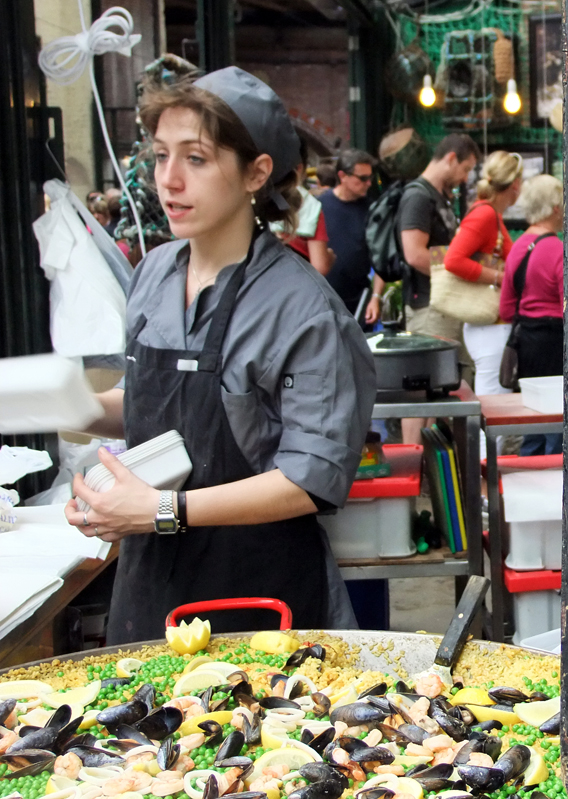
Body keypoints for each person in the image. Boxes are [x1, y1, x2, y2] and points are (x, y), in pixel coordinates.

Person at [63, 66, 376, 643]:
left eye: (196, 159)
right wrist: (61, 406)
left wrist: (161, 510)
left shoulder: (303, 309)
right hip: (151, 586)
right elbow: (144, 401)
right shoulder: (155, 273)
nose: (169, 180)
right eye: (161, 156)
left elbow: (310, 478)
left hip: (259, 596)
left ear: (256, 172)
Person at [395, 134, 479, 443]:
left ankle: (431, 468)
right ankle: (415, 465)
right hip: (428, 304)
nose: (466, 178)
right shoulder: (418, 196)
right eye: (466, 168)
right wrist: (458, 266)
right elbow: (415, 253)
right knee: (420, 389)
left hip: (441, 303)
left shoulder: (439, 196)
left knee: (439, 386)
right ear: (451, 158)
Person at [445, 151, 522, 397]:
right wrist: (499, 278)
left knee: (493, 400)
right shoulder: (486, 214)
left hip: (489, 323)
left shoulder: (488, 213)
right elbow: (453, 260)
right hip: (489, 325)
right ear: (515, 185)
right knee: (494, 404)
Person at [499, 175, 564, 455]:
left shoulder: (517, 248)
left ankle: (526, 481)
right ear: (554, 208)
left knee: (535, 419)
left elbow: (505, 309)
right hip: (555, 342)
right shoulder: (558, 250)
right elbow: (567, 306)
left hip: (526, 341)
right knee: (557, 422)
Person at [319, 149, 380, 323]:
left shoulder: (372, 210)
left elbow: (381, 258)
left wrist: (376, 297)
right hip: (324, 299)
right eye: (362, 178)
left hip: (359, 300)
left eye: (370, 178)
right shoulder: (319, 207)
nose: (368, 183)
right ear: (342, 176)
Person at [273, 135, 334, 275]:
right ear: (300, 168)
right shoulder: (309, 206)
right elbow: (320, 267)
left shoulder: (251, 196)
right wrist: (328, 257)